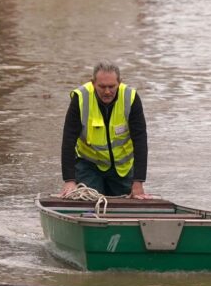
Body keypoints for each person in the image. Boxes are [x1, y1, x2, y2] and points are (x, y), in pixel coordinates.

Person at [59, 61, 150, 199]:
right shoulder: (81, 98)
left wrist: (138, 182)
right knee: (87, 201)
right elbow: (68, 140)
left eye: (111, 86)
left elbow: (140, 141)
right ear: (93, 83)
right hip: (89, 166)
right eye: (102, 87)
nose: (107, 91)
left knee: (129, 203)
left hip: (122, 169)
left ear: (120, 82)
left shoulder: (130, 98)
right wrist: (69, 181)